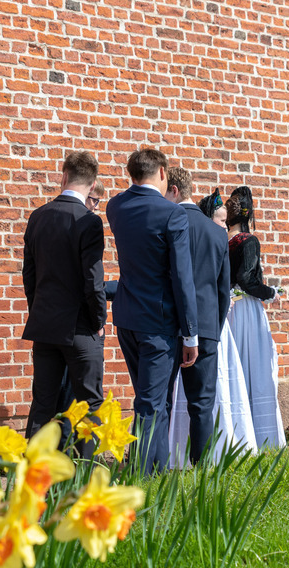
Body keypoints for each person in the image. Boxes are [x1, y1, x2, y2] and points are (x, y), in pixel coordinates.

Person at [106, 148, 198, 473]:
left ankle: (159, 469)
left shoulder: (115, 207)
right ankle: (140, 478)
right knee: (151, 403)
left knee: (157, 401)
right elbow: (183, 278)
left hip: (127, 318)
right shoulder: (172, 214)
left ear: (131, 173)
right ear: (162, 172)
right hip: (159, 324)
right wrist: (191, 334)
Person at [164, 168, 251, 466]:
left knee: (160, 401)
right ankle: (200, 465)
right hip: (206, 327)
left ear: (172, 189)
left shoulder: (165, 223)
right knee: (201, 403)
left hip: (165, 324)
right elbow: (222, 287)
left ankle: (156, 463)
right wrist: (214, 329)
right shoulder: (216, 232)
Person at [22, 152, 107, 447]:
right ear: (92, 184)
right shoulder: (89, 221)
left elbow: (29, 277)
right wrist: (99, 321)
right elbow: (93, 281)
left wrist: (40, 312)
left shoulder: (38, 217)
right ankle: (85, 477)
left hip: (45, 326)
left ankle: (33, 479)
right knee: (89, 406)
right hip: (81, 327)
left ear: (64, 176)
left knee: (42, 406)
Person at [225, 186, 285, 448]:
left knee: (235, 364)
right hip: (246, 309)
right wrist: (269, 292)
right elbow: (246, 278)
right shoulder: (248, 241)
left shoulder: (221, 239)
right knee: (254, 365)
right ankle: (261, 433)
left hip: (227, 309)